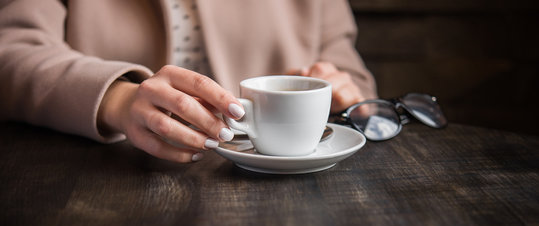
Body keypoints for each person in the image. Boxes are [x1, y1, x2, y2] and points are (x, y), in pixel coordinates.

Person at [0, 0, 377, 163]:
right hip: (109, 177)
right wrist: (116, 98)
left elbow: (352, 74)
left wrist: (340, 92)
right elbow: (11, 49)